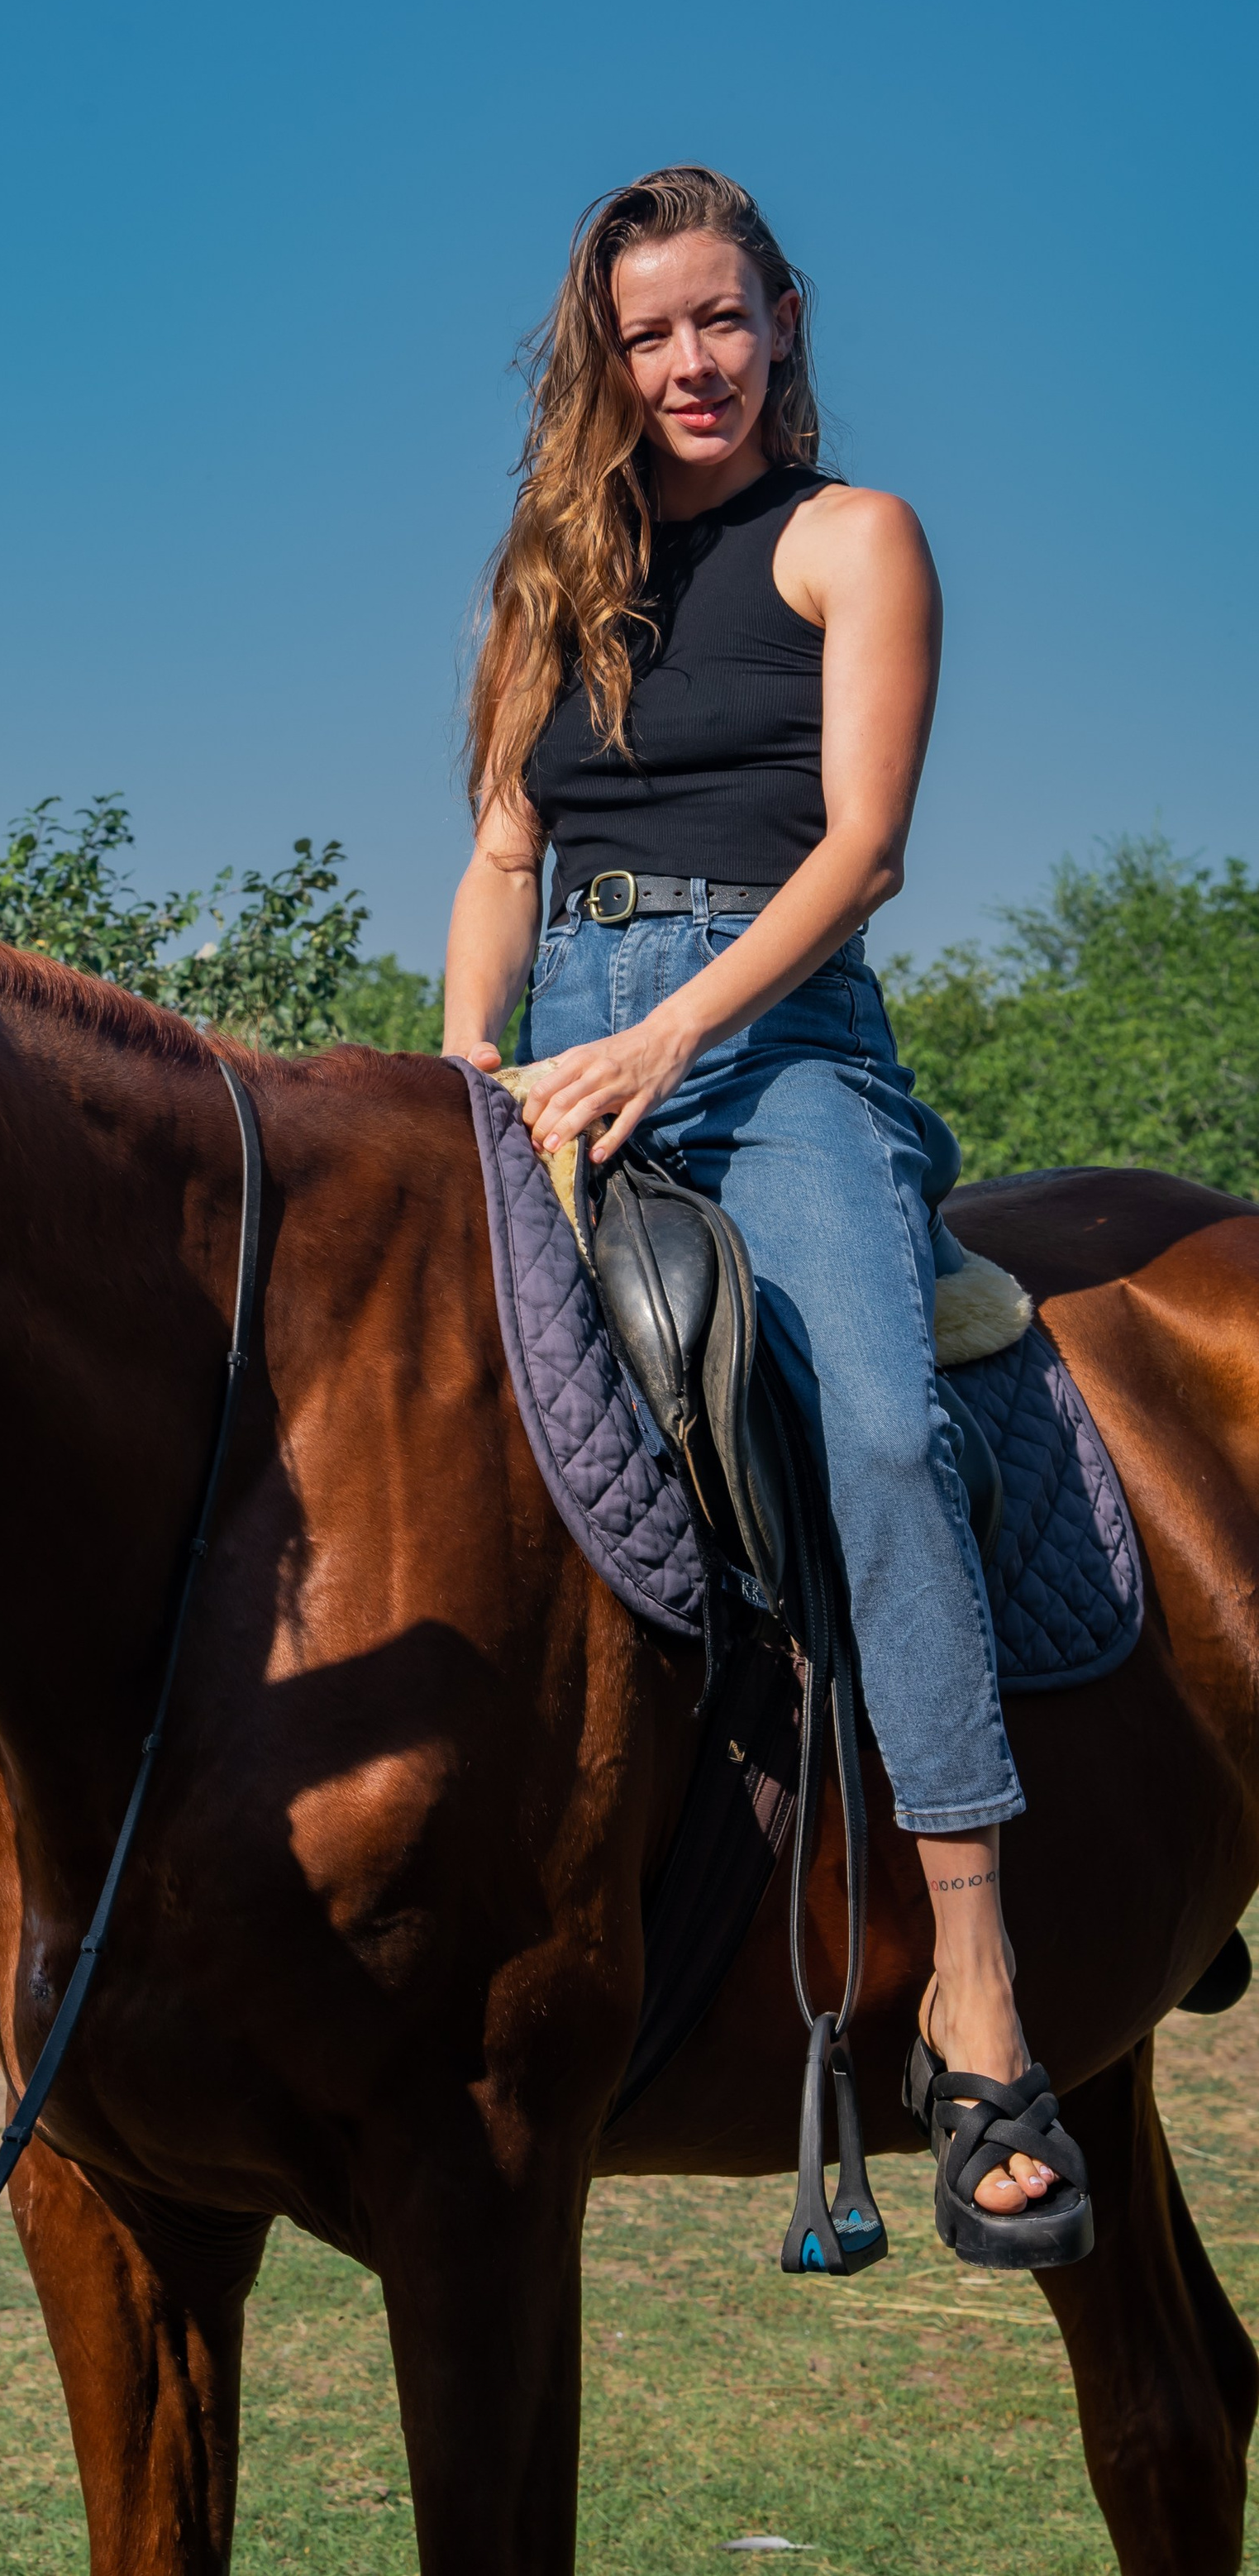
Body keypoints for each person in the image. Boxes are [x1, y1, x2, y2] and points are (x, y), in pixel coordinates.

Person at [442, 165, 1090, 2263]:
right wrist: (462, 1067)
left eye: (718, 319)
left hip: (772, 1043)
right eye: (646, 333)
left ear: (782, 318)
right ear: (602, 355)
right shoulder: (552, 575)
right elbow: (500, 856)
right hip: (555, 1041)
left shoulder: (848, 540)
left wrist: (669, 1037)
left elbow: (864, 849)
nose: (687, 363)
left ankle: (974, 1975)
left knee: (881, 1431)